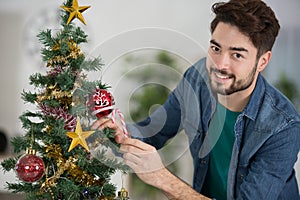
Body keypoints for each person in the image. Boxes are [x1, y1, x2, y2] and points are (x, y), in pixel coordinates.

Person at [92, 0, 300, 199]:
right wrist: (119, 134)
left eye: (237, 55)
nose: (220, 64)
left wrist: (161, 177)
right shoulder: (198, 77)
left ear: (262, 61)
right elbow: (154, 131)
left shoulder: (283, 127)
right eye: (216, 48)